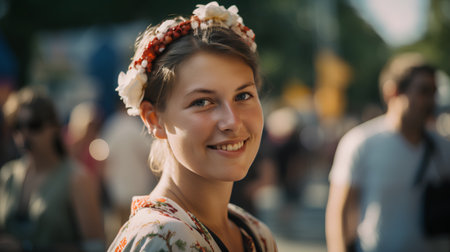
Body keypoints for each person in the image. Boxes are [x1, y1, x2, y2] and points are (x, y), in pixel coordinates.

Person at [108, 2, 277, 251]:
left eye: (243, 96)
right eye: (202, 102)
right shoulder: (164, 238)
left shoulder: (255, 232)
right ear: (153, 119)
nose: (232, 121)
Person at [325, 53, 450, 252]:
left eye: (434, 92)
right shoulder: (361, 142)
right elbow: (338, 212)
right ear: (393, 92)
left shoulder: (443, 147)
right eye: (423, 91)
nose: (430, 101)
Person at [0, 88, 105, 251]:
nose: (24, 134)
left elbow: (96, 246)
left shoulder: (76, 179)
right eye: (17, 126)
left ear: (54, 127)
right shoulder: (8, 175)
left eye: (34, 125)